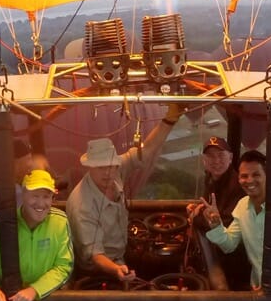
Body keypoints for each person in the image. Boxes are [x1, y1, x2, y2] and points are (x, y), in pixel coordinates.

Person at [65, 103, 183, 284]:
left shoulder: (117, 170)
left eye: (111, 165)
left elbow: (147, 150)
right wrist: (117, 270)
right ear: (89, 167)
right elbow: (96, 255)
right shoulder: (82, 205)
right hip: (98, 271)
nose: (107, 172)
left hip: (122, 254)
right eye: (101, 167)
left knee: (169, 264)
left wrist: (170, 119)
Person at [198, 153, 271, 292]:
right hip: (257, 290)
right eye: (244, 176)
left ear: (267, 176)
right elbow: (229, 245)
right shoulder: (242, 206)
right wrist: (216, 224)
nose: (249, 180)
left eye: (256, 175)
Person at [0, 169, 73, 301]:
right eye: (35, 196)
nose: (41, 203)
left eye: (46, 197)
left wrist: (35, 290)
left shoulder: (59, 221)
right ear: (23, 195)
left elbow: (63, 267)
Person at [186, 137, 250, 289]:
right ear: (204, 160)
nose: (216, 161)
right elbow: (211, 210)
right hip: (218, 248)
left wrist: (196, 217)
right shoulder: (210, 179)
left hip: (234, 257)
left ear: (231, 157)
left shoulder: (237, 186)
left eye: (221, 155)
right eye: (210, 156)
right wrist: (198, 210)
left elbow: (224, 223)